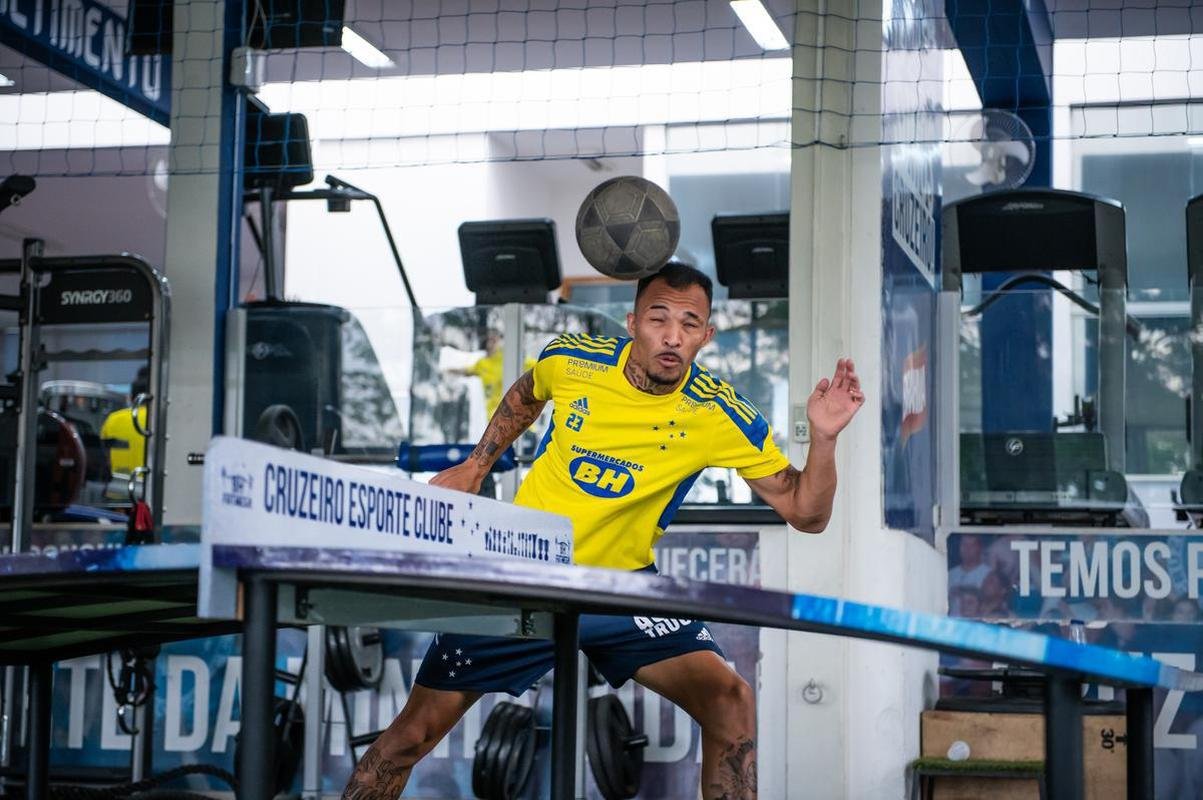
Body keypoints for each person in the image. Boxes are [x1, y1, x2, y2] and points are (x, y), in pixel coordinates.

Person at [341, 263, 864, 800]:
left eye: (689, 324)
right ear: (633, 322)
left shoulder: (718, 414)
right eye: (659, 318)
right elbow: (528, 391)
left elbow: (807, 513)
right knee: (410, 736)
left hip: (622, 590)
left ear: (705, 336)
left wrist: (823, 441)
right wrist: (478, 464)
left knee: (730, 700)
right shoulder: (571, 359)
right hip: (522, 573)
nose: (672, 335)